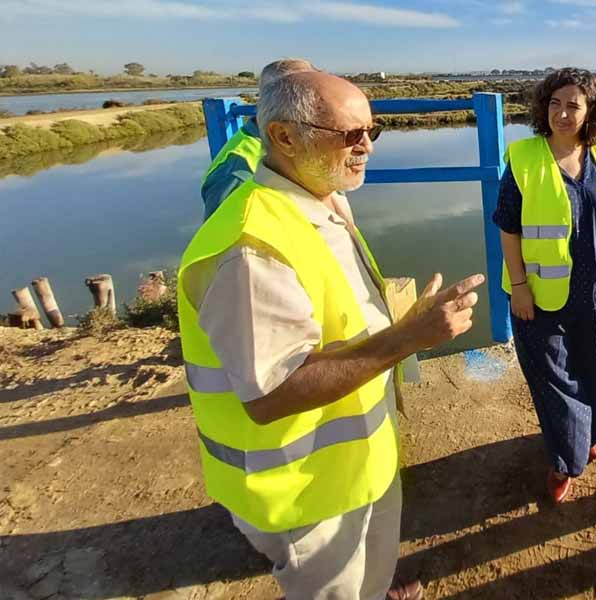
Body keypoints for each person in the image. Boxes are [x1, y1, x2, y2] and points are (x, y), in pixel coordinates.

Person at [178, 71, 483, 600]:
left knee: (372, 579)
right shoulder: (252, 248)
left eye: (372, 129)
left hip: (353, 468)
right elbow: (272, 392)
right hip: (305, 494)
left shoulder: (318, 200)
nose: (365, 145)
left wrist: (404, 322)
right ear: (284, 136)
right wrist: (408, 338)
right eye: (348, 133)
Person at [492, 67, 596, 504]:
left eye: (574, 105)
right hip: (539, 295)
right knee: (555, 382)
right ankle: (563, 460)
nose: (563, 113)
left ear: (591, 111)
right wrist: (519, 286)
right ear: (543, 108)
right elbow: (507, 227)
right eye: (555, 103)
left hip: (595, 291)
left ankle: (583, 436)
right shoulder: (526, 157)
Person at [200, 58, 315, 219]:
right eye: (305, 98)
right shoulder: (238, 171)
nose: (318, 107)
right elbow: (224, 238)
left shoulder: (297, 143)